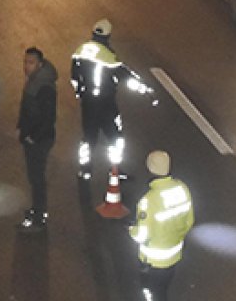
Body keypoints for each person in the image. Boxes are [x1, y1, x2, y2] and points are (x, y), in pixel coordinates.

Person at [69, 19, 153, 181]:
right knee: (115, 138)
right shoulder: (109, 58)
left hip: (88, 104)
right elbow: (127, 78)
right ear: (108, 36)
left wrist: (80, 93)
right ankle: (115, 170)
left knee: (88, 138)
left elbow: (74, 77)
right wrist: (146, 91)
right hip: (107, 105)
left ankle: (85, 170)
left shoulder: (79, 51)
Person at [128, 151, 193, 301]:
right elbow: (189, 221)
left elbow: (141, 236)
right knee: (163, 288)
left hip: (153, 260)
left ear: (150, 169)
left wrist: (131, 230)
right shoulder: (182, 188)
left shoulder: (149, 200)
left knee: (153, 292)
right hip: (174, 254)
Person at [16, 46, 57, 233]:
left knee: (37, 178)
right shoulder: (36, 80)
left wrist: (33, 136)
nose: (26, 66)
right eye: (25, 62)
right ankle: (37, 210)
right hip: (33, 137)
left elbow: (48, 118)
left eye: (30, 62)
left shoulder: (44, 86)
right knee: (34, 177)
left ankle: (39, 217)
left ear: (39, 64)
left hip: (39, 140)